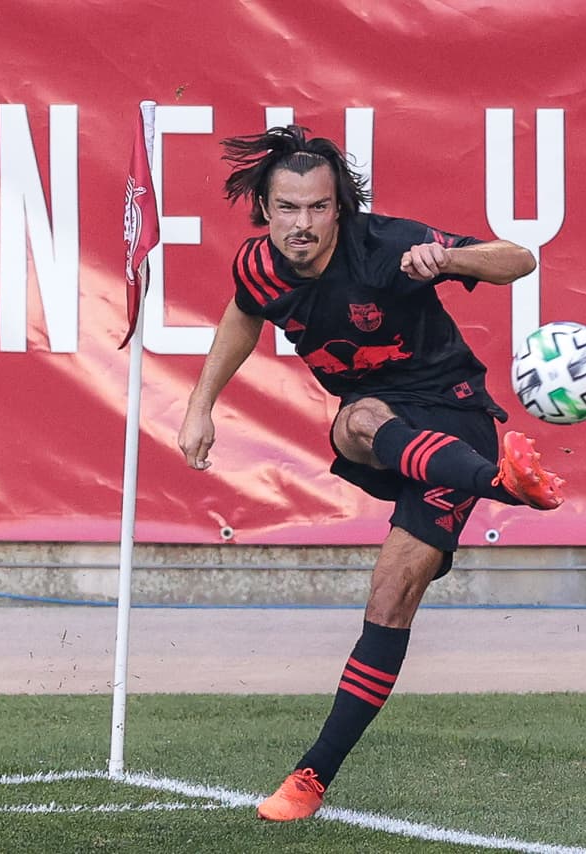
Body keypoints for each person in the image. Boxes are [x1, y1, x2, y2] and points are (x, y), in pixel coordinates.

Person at [177, 125, 565, 821]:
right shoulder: (260, 267)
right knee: (358, 423)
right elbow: (243, 315)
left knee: (390, 597)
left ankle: (310, 778)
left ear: (339, 208)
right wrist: (201, 406)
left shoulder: (385, 245)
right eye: (288, 209)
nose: (302, 224)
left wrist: (448, 259)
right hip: (391, 432)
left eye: (318, 208)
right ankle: (504, 486)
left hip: (454, 421)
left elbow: (520, 260)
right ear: (265, 210)